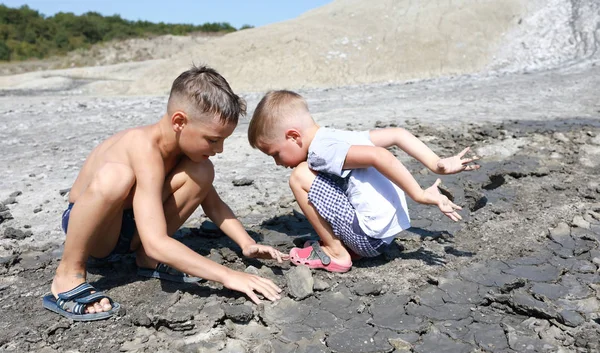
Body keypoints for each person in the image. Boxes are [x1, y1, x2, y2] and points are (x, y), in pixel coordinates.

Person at [43, 65, 287, 321]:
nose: (220, 149)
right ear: (179, 121)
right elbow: (156, 240)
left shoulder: (184, 147)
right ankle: (67, 276)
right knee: (116, 177)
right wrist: (229, 275)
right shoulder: (142, 146)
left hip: (135, 228)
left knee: (202, 171)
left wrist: (246, 243)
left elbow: (213, 205)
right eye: (213, 140)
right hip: (94, 230)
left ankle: (146, 260)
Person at [247, 90, 480, 273]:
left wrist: (418, 194)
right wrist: (436, 163)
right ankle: (346, 245)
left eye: (275, 154)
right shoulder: (335, 136)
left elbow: (380, 156)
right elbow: (397, 134)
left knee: (299, 176)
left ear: (294, 137)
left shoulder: (321, 151)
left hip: (369, 240)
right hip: (383, 238)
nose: (277, 163)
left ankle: (336, 253)